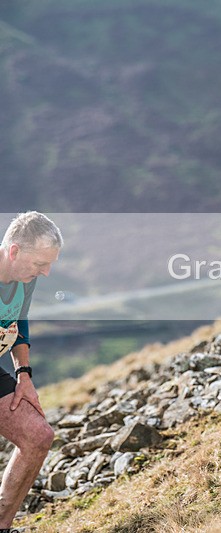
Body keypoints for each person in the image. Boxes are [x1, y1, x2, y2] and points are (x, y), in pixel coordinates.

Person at [0, 212, 62, 531]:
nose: (46, 272)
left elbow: (18, 322)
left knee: (39, 436)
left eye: (49, 264)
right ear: (14, 252)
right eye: (40, 264)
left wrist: (24, 373)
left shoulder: (26, 279)